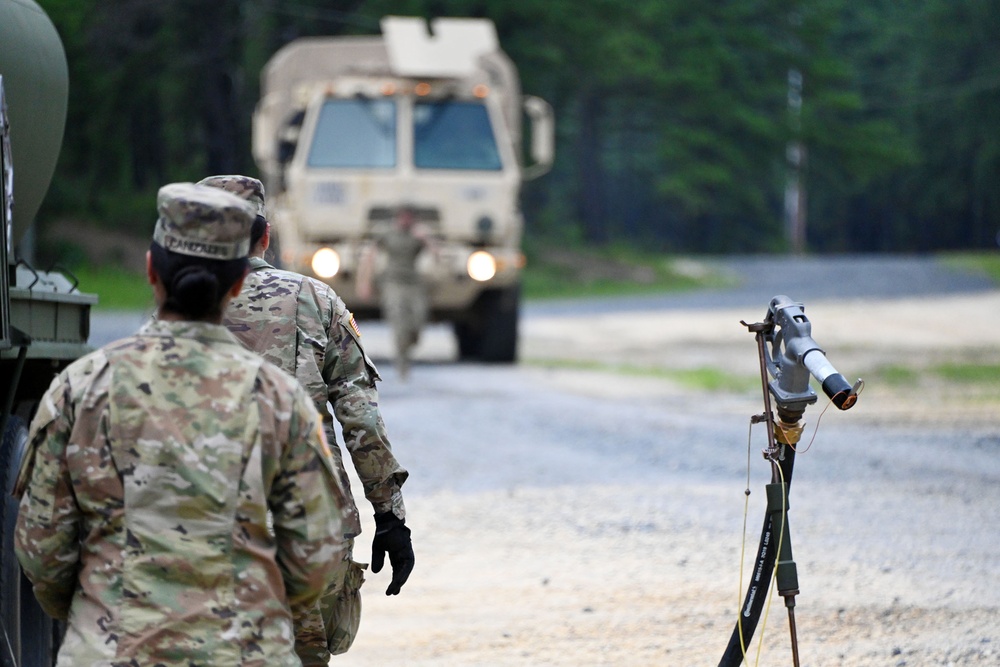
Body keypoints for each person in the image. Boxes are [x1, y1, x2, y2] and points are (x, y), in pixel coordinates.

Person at [14, 183, 349, 666]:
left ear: (152, 271)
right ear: (237, 285)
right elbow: (315, 558)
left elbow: (42, 552)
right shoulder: (282, 401)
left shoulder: (79, 388)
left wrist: (97, 609)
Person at [197, 175, 414, 656]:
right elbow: (361, 421)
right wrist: (391, 517)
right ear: (265, 236)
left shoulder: (172, 312)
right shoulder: (314, 300)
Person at [356, 204, 438, 380]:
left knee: (418, 318)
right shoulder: (388, 234)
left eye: (409, 217)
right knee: (398, 322)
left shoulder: (418, 235)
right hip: (392, 283)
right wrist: (365, 282)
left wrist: (426, 239)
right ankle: (403, 364)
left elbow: (437, 256)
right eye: (403, 216)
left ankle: (412, 341)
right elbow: (370, 255)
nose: (406, 220)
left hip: (414, 283)